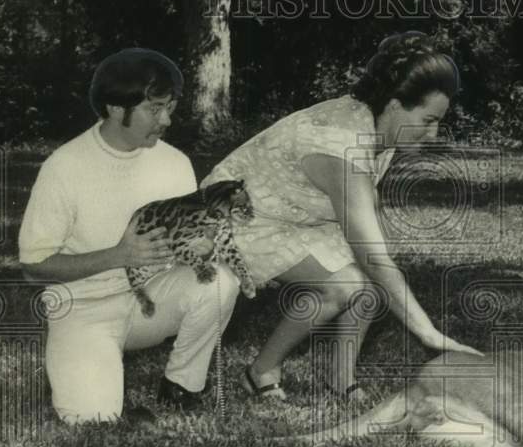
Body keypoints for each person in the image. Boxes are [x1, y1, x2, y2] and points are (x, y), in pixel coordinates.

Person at [202, 31, 480, 402]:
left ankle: (340, 380)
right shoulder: (341, 144)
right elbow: (373, 255)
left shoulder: (377, 125)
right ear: (396, 105)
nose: (434, 133)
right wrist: (428, 334)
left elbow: (367, 226)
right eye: (428, 120)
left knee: (369, 281)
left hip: (296, 214)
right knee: (346, 284)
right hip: (234, 214)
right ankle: (261, 372)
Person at [18, 48, 240, 424]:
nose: (167, 119)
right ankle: (87, 367)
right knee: (93, 419)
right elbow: (33, 268)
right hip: (84, 308)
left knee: (219, 281)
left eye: (169, 107)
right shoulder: (64, 167)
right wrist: (118, 255)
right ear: (115, 109)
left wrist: (200, 246)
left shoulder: (174, 163)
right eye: (155, 109)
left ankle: (182, 384)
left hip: (150, 302)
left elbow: (187, 243)